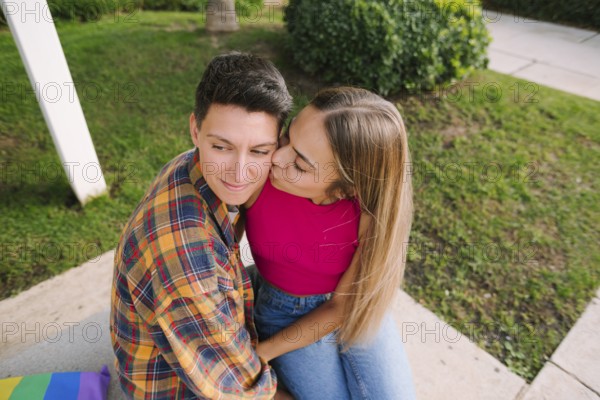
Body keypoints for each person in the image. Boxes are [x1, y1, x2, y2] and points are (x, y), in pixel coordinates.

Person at [110, 52, 293, 399]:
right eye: (222, 147)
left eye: (258, 151)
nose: (239, 174)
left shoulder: (190, 163)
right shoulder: (191, 268)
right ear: (195, 129)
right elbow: (243, 390)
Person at [242, 87, 417, 399]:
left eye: (300, 164)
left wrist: (264, 352)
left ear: (346, 189)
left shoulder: (367, 208)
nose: (278, 158)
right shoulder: (256, 182)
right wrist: (262, 352)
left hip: (355, 309)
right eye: (288, 137)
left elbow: (343, 306)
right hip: (286, 316)